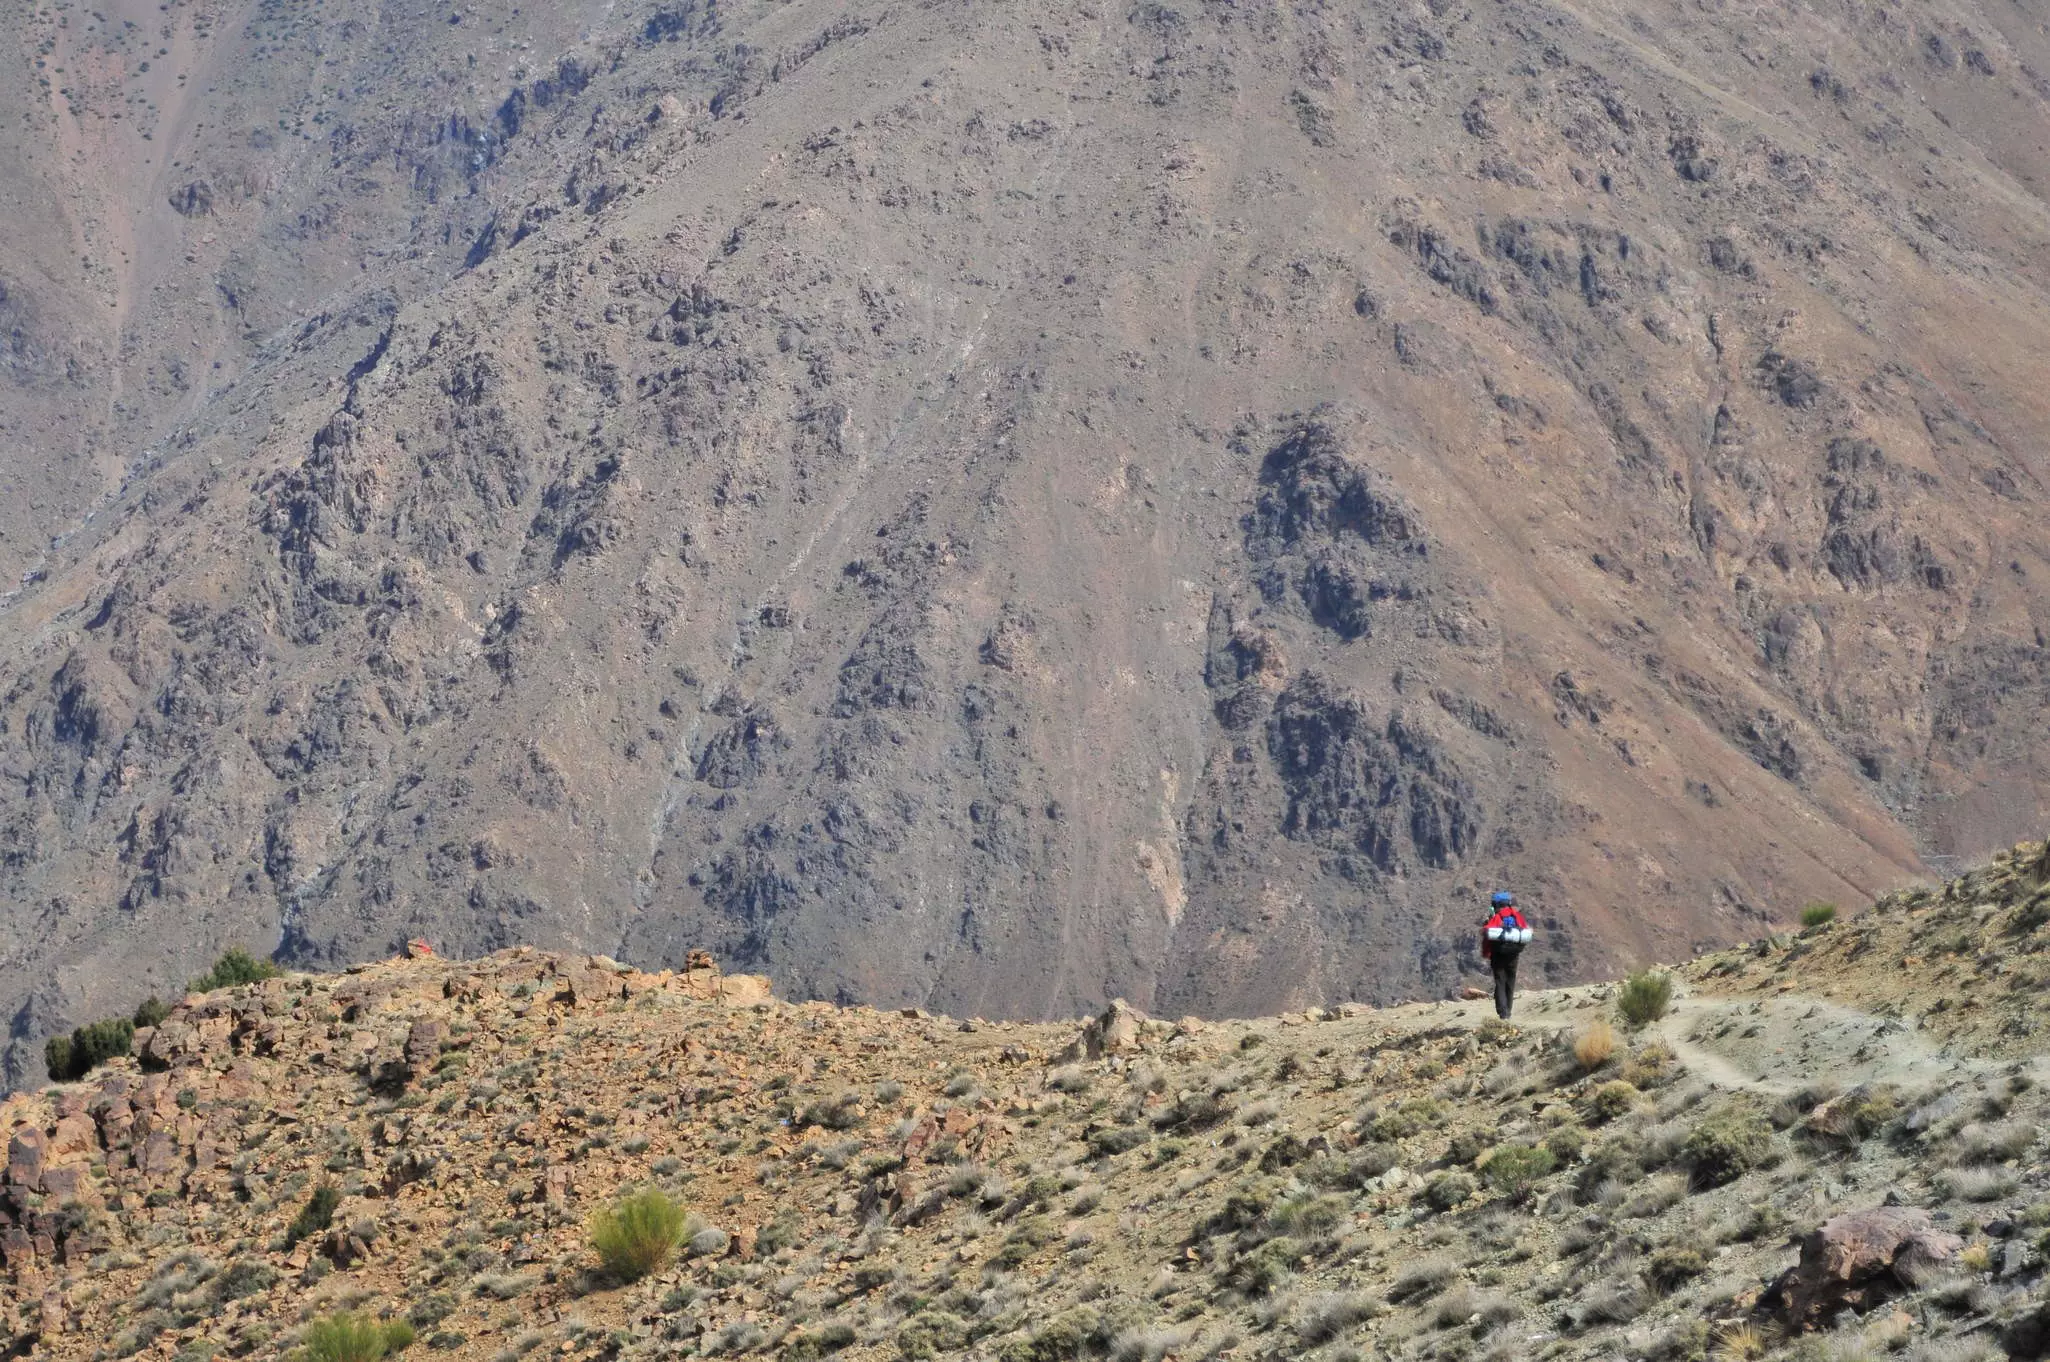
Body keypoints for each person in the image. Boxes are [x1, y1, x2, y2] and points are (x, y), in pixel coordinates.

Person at [1480, 890, 1533, 1020]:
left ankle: (1503, 1013)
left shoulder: (1496, 917)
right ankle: (1508, 1011)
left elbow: (1487, 935)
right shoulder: (1517, 916)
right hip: (1514, 955)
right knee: (1510, 982)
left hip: (1498, 955)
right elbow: (1524, 932)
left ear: (1496, 904)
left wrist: (1486, 952)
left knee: (1500, 982)